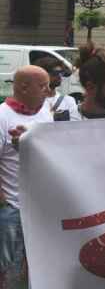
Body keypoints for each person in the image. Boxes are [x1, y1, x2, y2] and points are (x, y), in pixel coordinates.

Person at [0, 66, 53, 286]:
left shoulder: (45, 110)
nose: (49, 91)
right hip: (12, 208)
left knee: (37, 266)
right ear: (23, 87)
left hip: (40, 208)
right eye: (43, 86)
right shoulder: (2, 116)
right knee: (9, 268)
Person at [32, 56, 78, 121]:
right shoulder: (31, 101)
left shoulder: (68, 101)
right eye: (55, 73)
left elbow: (74, 126)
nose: (59, 76)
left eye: (61, 73)